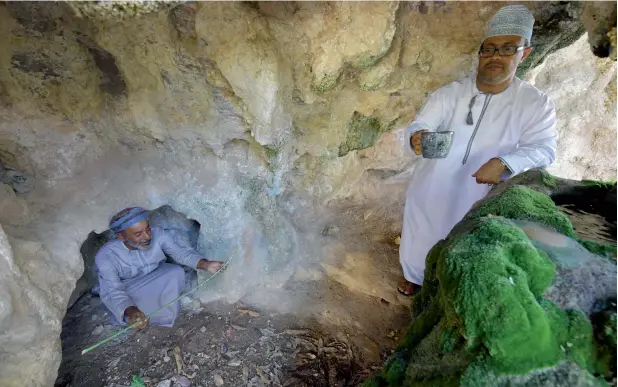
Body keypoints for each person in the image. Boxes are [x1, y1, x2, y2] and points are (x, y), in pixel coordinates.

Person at [398, 5, 557, 296]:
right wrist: (416, 137)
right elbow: (420, 123)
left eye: (508, 48)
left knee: (465, 240)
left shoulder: (535, 103)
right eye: (490, 49)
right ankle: (415, 276)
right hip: (432, 185)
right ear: (480, 53)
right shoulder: (450, 93)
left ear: (525, 53)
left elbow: (544, 149)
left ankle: (448, 288)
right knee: (421, 232)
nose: (496, 56)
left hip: (481, 192)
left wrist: (505, 162)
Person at [95, 207, 225, 329]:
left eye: (147, 229)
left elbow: (180, 253)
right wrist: (132, 311)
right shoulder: (106, 256)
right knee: (128, 310)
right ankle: (133, 317)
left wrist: (205, 264)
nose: (147, 237)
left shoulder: (159, 234)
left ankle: (157, 318)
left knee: (175, 272)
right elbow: (115, 290)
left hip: (153, 276)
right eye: (138, 234)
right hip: (127, 287)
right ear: (122, 237)